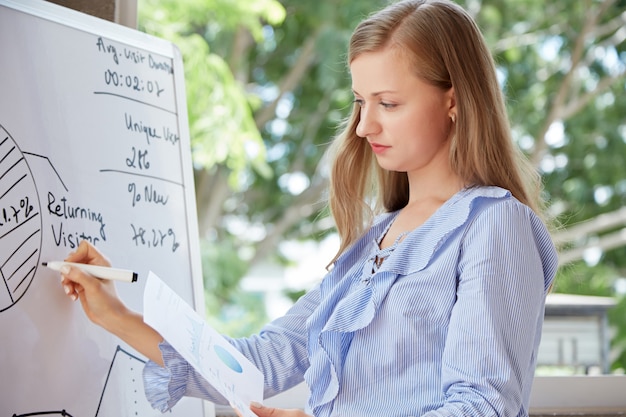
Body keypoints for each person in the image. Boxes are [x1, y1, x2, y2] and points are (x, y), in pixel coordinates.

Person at [58, 0, 559, 416]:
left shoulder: (493, 225)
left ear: (454, 100)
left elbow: (480, 407)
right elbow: (262, 364)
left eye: (388, 103)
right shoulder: (375, 243)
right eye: (360, 102)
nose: (364, 127)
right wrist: (116, 315)